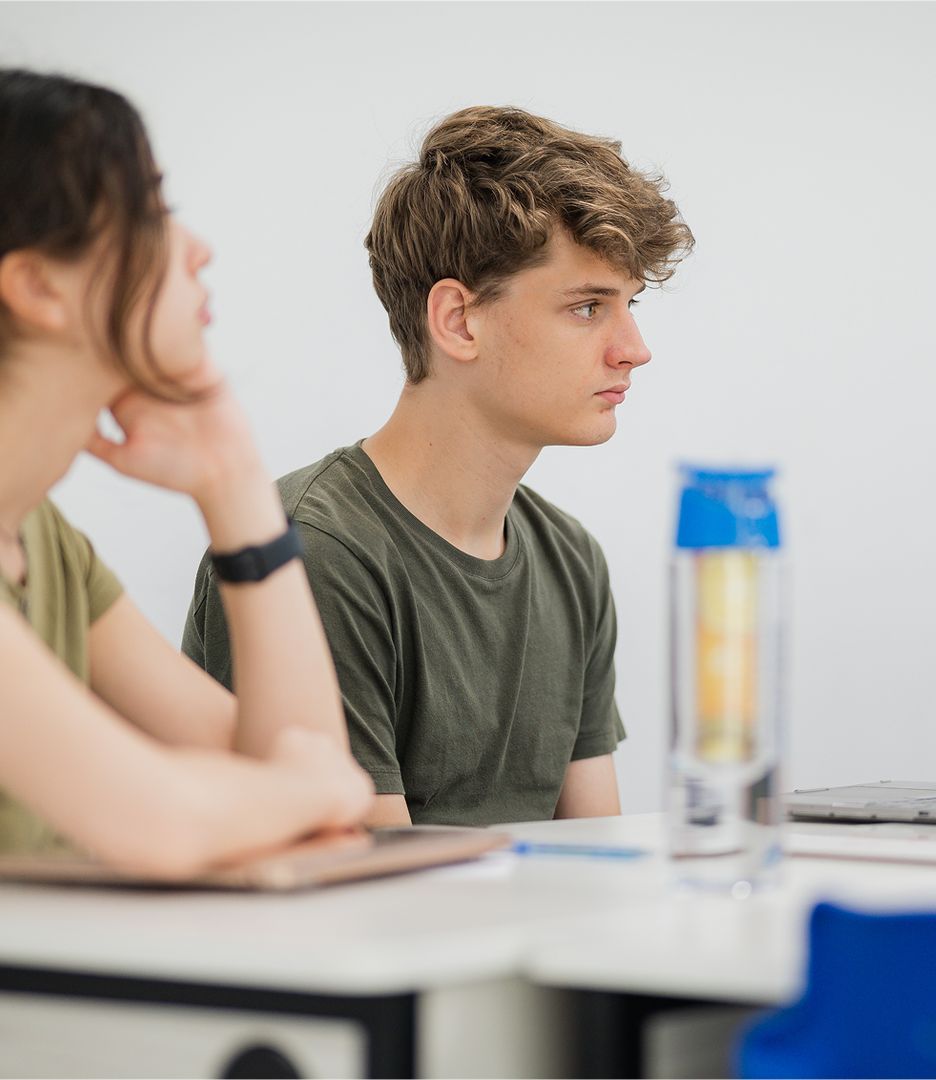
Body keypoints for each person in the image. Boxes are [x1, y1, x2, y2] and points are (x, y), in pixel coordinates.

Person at [0, 67, 373, 877]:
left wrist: (236, 485)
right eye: (153, 211)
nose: (197, 250)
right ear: (38, 287)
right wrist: (308, 789)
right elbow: (157, 820)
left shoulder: (39, 538)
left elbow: (300, 770)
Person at [183, 107, 693, 827]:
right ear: (458, 320)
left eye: (631, 306)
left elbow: (597, 861)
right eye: (587, 308)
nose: (634, 348)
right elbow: (379, 895)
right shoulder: (316, 552)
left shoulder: (571, 562)